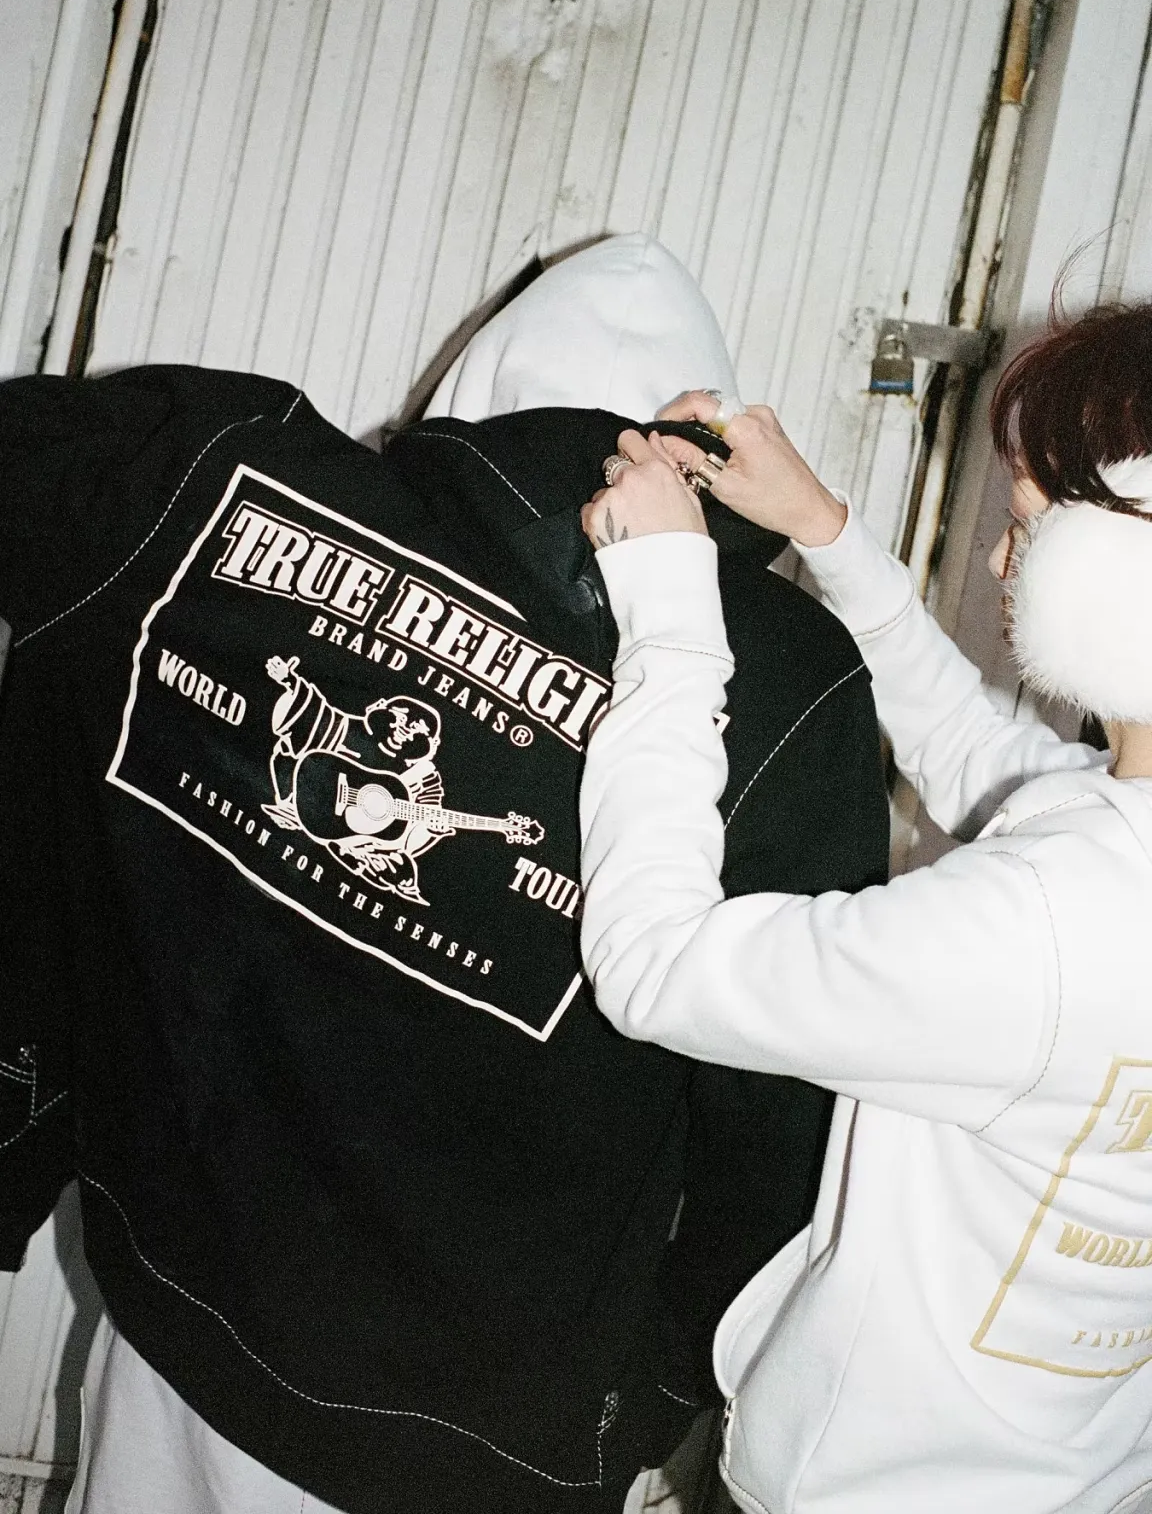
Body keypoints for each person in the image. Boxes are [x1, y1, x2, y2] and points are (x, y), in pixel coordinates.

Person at [0, 236, 889, 1514]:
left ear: (479, 389)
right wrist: (669, 1381)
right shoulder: (791, 687)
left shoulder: (214, 481)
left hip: (180, 1320)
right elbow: (783, 1114)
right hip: (491, 1422)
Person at [577, 301, 1152, 1514]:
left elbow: (654, 965)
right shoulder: (1110, 857)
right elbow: (982, 760)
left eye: (1027, 527)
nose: (998, 562)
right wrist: (824, 530)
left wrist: (670, 615)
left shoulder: (1050, 925)